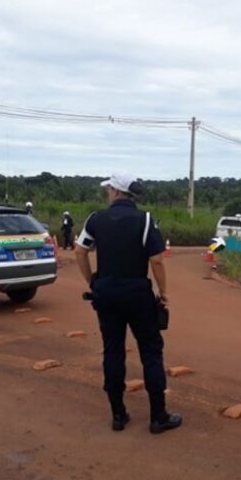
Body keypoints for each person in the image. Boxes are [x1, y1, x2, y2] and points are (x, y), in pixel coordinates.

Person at [75, 172, 181, 434]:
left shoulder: (96, 219)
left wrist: (93, 282)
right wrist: (163, 292)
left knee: (113, 350)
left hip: (106, 295)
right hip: (137, 294)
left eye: (108, 189)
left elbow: (80, 250)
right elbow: (156, 260)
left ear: (115, 191)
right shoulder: (145, 220)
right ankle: (158, 417)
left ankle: (118, 415)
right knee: (150, 351)